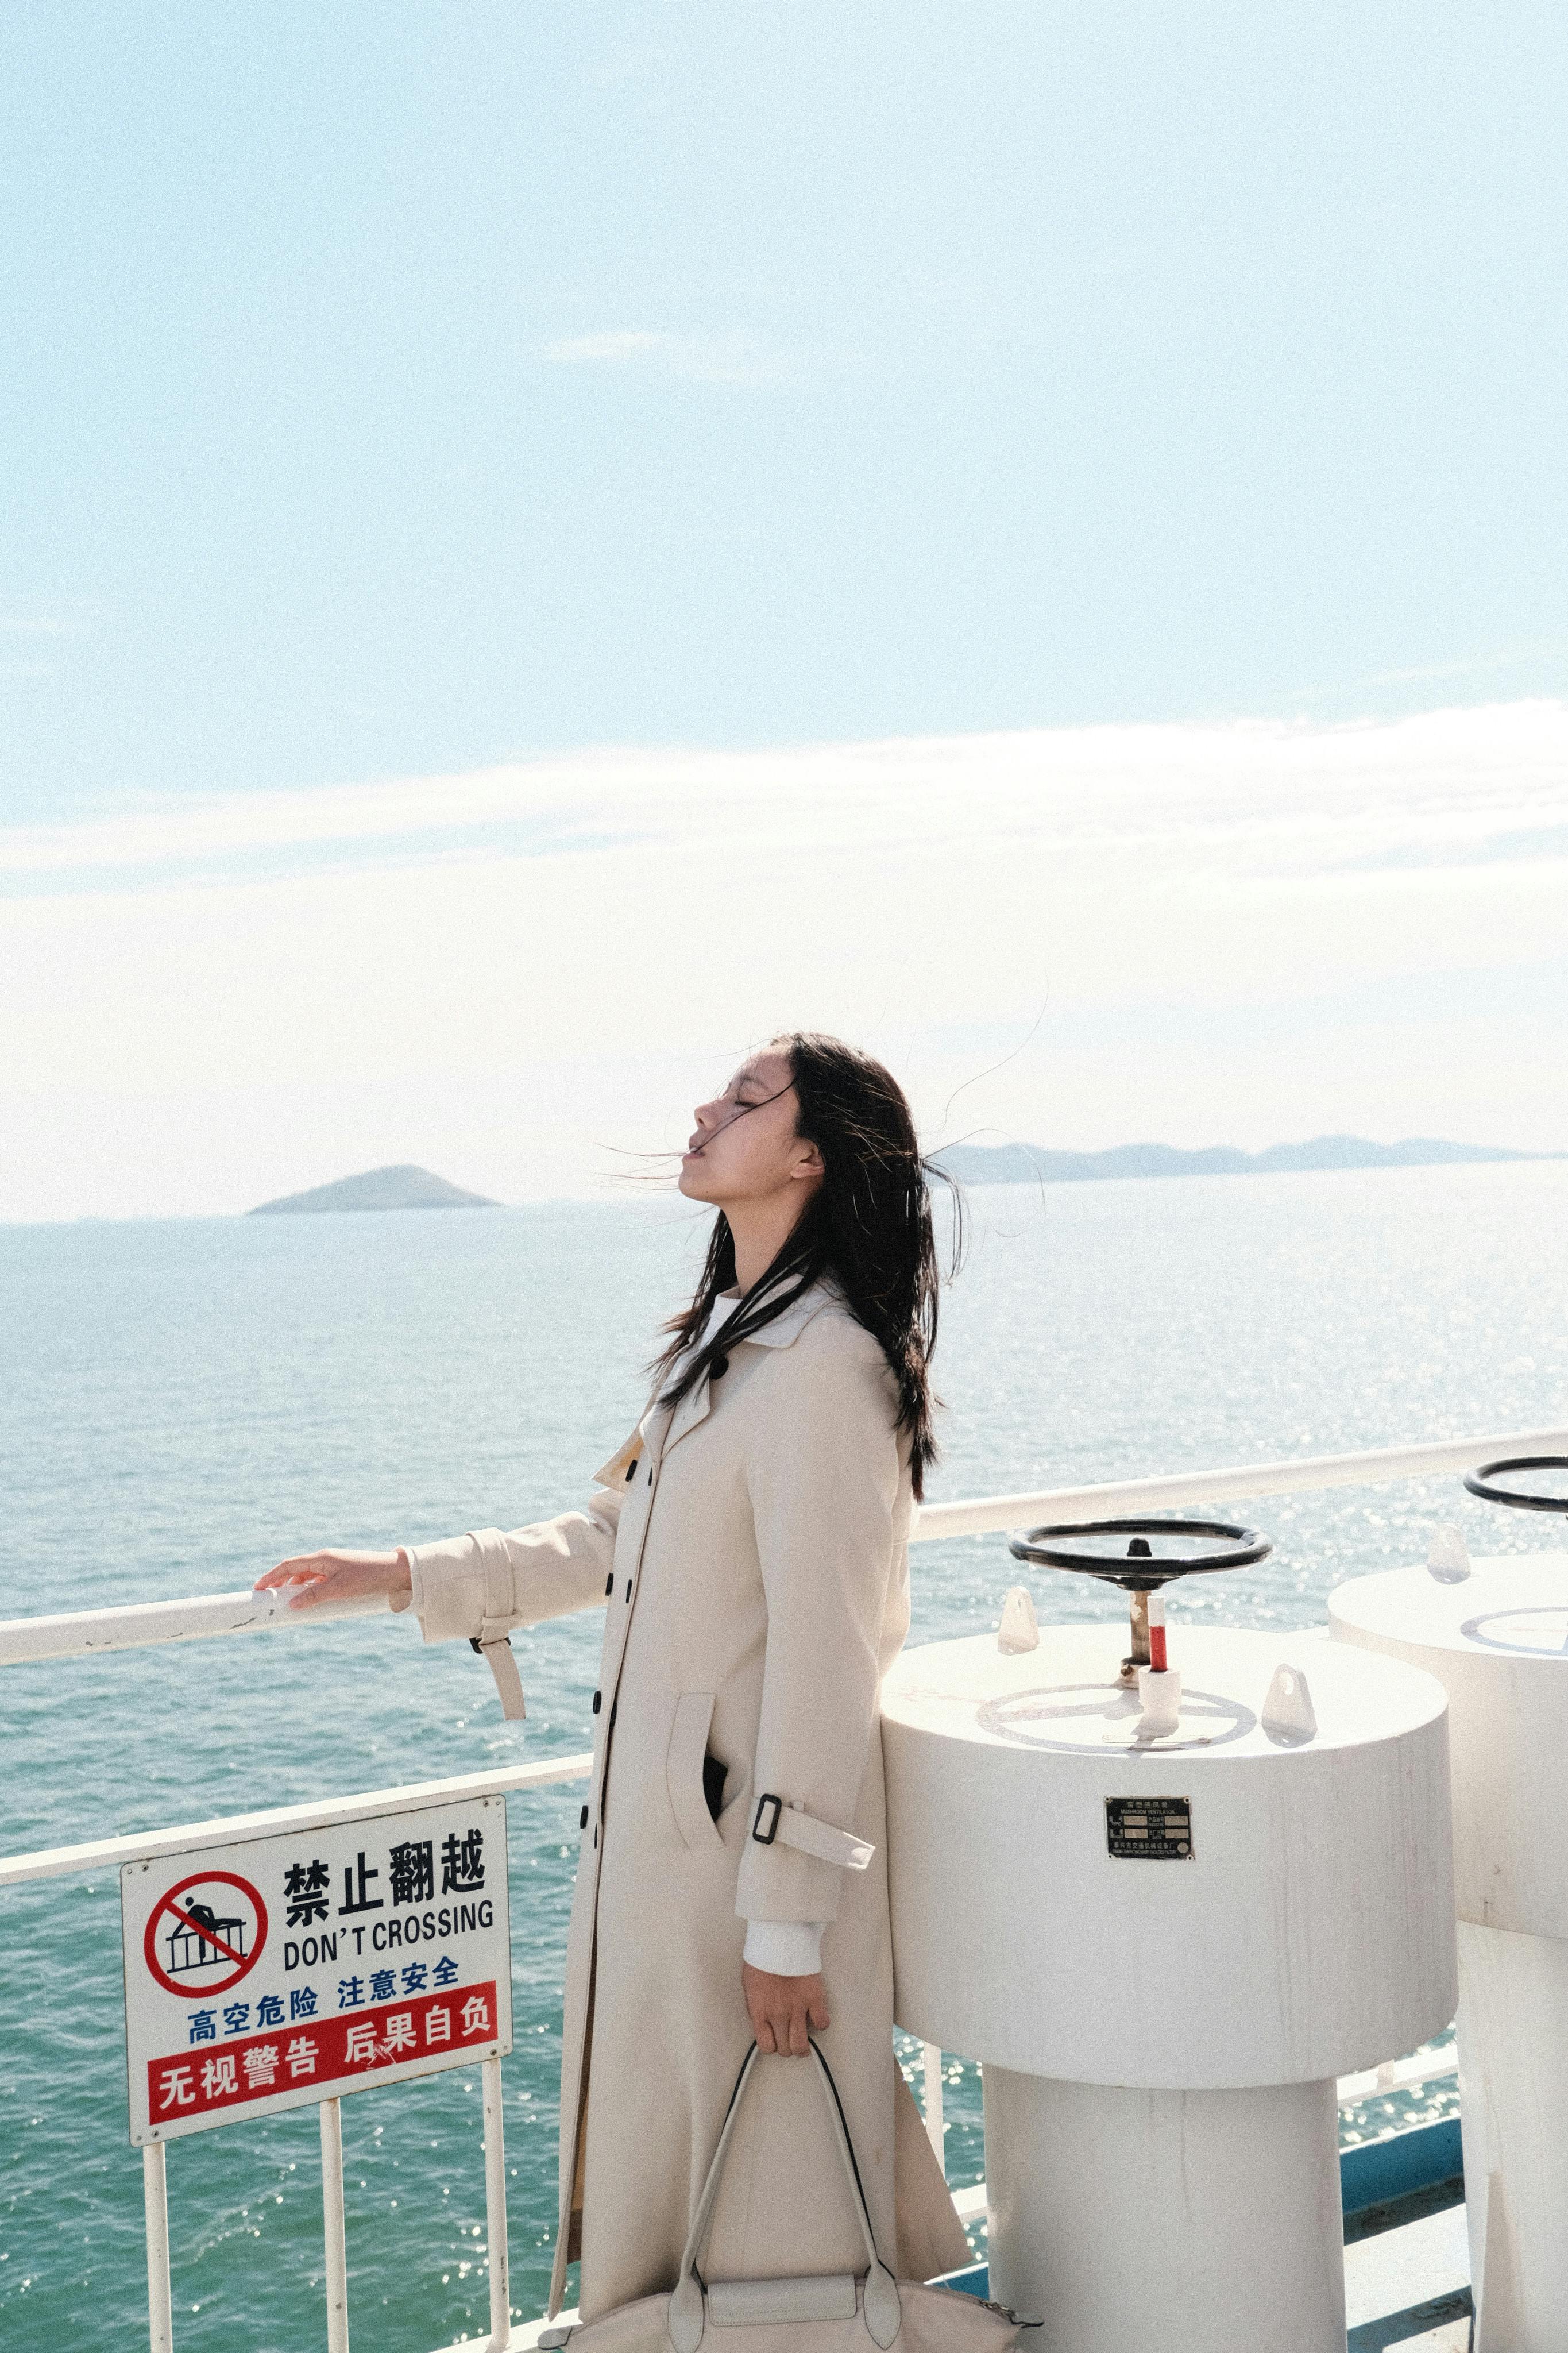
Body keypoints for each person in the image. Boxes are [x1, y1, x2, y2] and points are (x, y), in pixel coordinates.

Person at [254, 1032, 970, 2319]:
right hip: (669, 1856)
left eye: (745, 1098)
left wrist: (790, 1919)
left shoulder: (829, 1367)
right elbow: (611, 1538)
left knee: (767, 2223)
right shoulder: (722, 1346)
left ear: (810, 1153)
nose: (704, 1107)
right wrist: (409, 1572)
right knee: (696, 2201)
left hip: (738, 1878)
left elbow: (831, 1651)